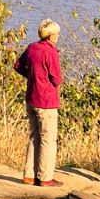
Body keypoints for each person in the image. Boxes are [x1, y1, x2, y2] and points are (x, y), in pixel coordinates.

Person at [14, 18, 63, 187]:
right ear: (50, 35)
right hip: (47, 101)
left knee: (34, 137)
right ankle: (45, 177)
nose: (58, 35)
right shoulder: (51, 52)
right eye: (56, 33)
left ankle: (29, 175)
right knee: (48, 139)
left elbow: (18, 65)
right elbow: (57, 79)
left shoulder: (32, 47)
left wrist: (32, 77)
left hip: (32, 99)